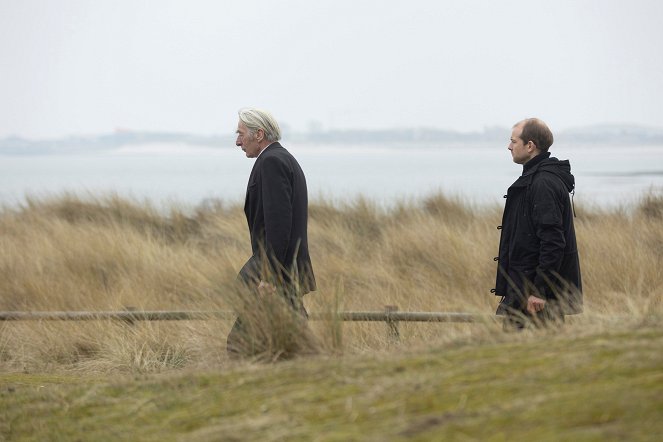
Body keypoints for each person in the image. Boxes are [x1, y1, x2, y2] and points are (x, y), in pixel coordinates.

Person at [227, 107, 316, 355]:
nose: (237, 141)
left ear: (259, 134)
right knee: (294, 339)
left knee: (238, 345)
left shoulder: (272, 162)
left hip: (277, 273)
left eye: (241, 134)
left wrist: (269, 276)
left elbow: (279, 225)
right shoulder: (279, 158)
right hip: (284, 271)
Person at [493, 118, 582, 329]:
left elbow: (553, 242)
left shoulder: (543, 183)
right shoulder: (536, 178)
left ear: (530, 146)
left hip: (535, 301)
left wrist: (539, 292)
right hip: (525, 292)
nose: (509, 146)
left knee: (530, 358)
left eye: (514, 141)